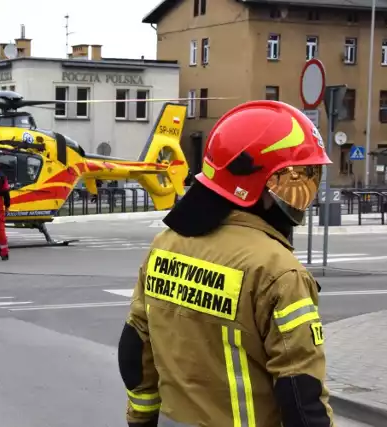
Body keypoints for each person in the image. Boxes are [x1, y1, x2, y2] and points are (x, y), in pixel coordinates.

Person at [117, 100, 334, 427]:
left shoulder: (165, 245)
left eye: (309, 179)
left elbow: (135, 351)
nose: (302, 193)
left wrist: (141, 420)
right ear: (256, 182)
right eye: (295, 180)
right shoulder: (278, 272)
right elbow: (301, 394)